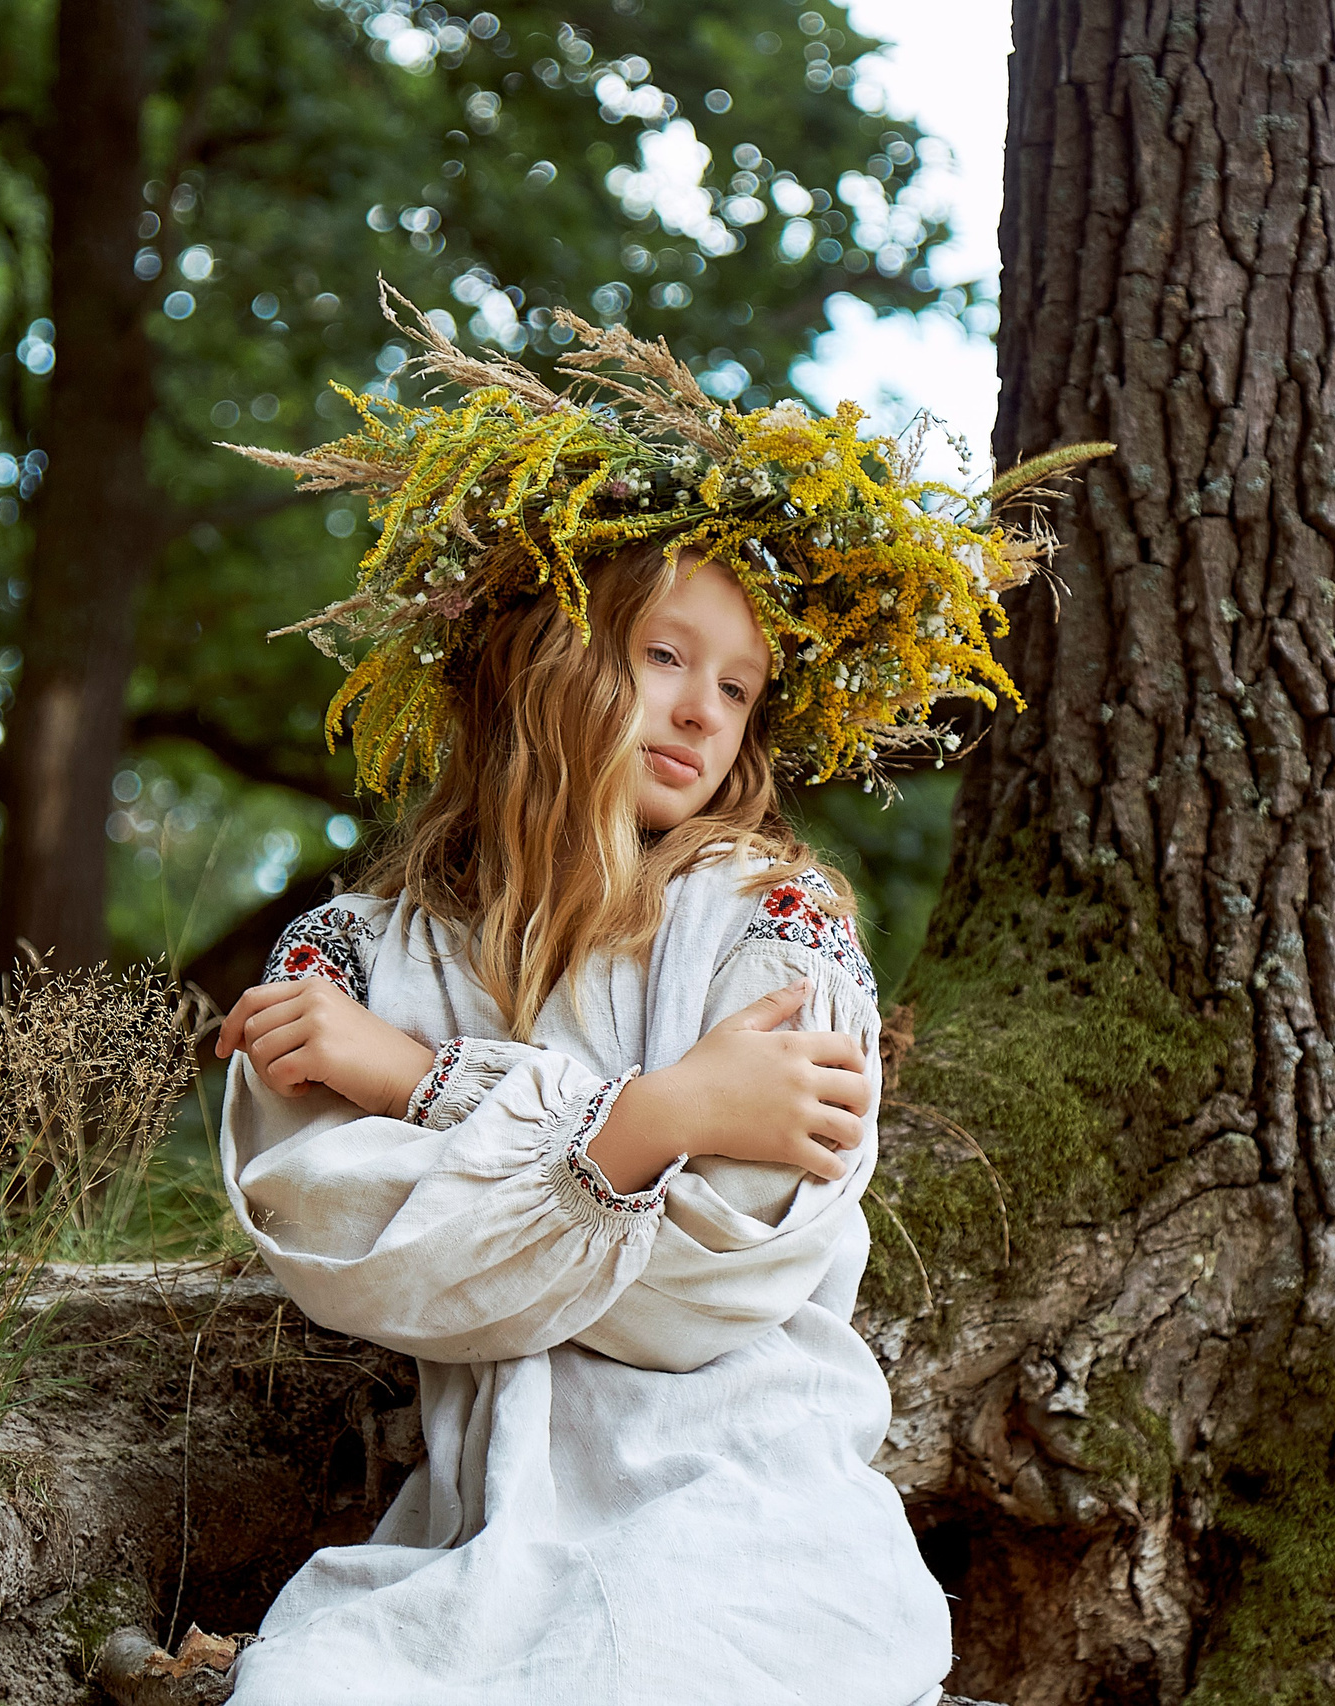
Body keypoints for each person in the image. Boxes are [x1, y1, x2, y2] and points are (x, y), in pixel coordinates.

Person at [207, 289, 1102, 1705]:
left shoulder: (776, 923)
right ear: (548, 654)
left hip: (744, 1517)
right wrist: (661, 1115)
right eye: (664, 655)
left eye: (738, 687)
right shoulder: (348, 961)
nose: (701, 712)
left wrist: (426, 1086)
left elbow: (728, 1270)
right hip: (475, 1540)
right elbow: (357, 1254)